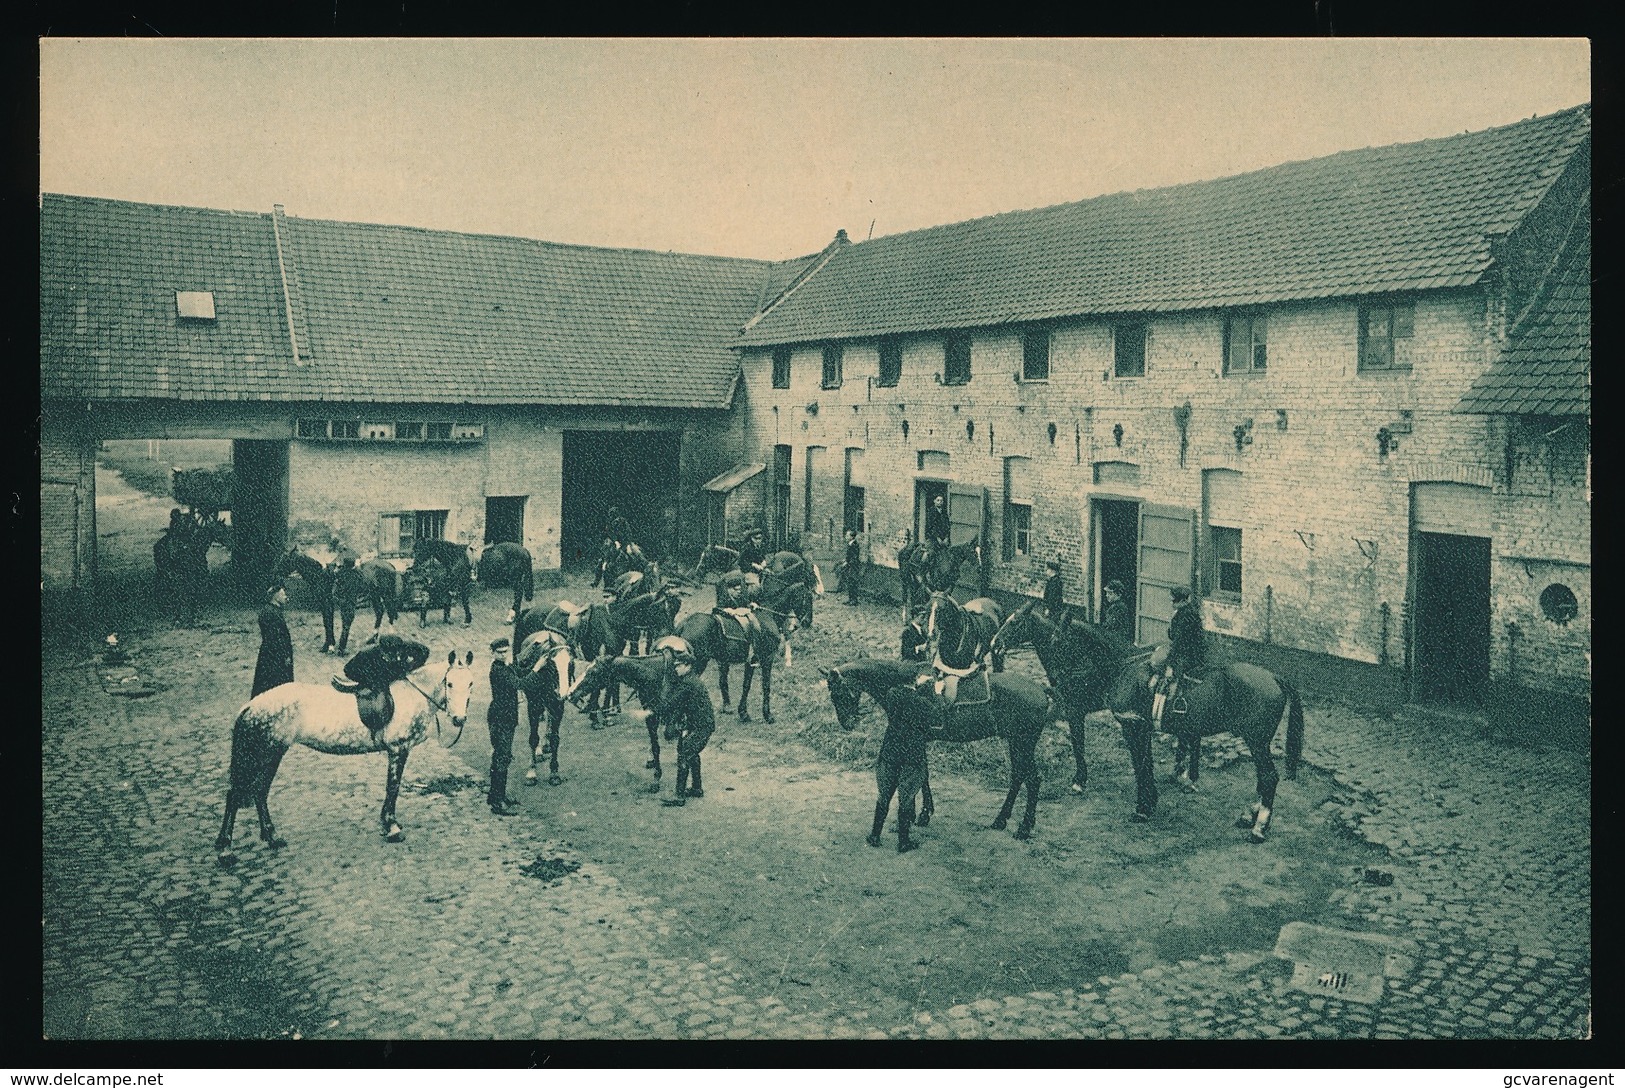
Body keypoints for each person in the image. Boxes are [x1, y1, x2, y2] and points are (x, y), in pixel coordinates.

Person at [868, 684, 934, 853]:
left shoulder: (891, 695)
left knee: (884, 795)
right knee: (905, 798)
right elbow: (934, 721)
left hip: (890, 753)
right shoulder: (923, 704)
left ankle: (875, 835)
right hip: (911, 757)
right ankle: (903, 842)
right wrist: (936, 692)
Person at [659, 649, 717, 806]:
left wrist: (653, 709)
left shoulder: (688, 683)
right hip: (702, 725)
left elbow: (670, 703)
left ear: (688, 666)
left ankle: (679, 796)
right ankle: (697, 789)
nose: (676, 669)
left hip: (701, 727)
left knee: (684, 753)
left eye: (679, 666)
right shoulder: (691, 680)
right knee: (691, 753)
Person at [343, 633, 432, 733]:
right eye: (390, 655)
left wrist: (410, 666)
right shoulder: (367, 654)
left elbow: (425, 651)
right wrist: (370, 679)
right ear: (382, 651)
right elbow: (348, 670)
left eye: (396, 653)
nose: (394, 656)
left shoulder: (406, 647)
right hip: (375, 676)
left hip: (392, 673)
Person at [1153, 586, 1209, 725]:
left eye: (1173, 601)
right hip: (1185, 650)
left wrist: (1170, 665)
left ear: (1181, 601)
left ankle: (1177, 704)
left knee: (1170, 675)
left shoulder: (1187, 615)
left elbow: (1178, 642)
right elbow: (1173, 636)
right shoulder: (1182, 613)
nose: (1172, 604)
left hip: (1190, 654)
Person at [485, 638, 523, 816]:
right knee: (502, 757)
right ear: (492, 653)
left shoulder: (503, 667)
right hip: (502, 718)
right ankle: (497, 803)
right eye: (499, 652)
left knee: (500, 756)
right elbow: (520, 683)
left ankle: (495, 796)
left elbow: (516, 671)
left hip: (503, 717)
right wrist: (537, 669)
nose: (503, 655)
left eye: (505, 652)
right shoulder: (499, 671)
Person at [252, 584, 294, 697]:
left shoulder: (269, 610)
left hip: (269, 654)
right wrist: (285, 656)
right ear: (275, 596)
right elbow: (276, 638)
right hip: (275, 657)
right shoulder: (272, 613)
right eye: (283, 594)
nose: (286, 597)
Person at [332, 553, 364, 655]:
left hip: (342, 603)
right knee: (346, 626)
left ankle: (341, 647)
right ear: (353, 565)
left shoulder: (340, 574)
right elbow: (361, 586)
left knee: (344, 624)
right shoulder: (355, 575)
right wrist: (358, 568)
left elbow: (335, 589)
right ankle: (341, 649)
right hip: (350, 603)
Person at [840, 529, 863, 605]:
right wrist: (845, 560)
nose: (846, 537)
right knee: (850, 582)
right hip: (850, 566)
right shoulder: (850, 544)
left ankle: (854, 600)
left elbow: (854, 557)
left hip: (853, 567)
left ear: (851, 537)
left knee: (853, 582)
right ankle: (850, 599)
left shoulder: (854, 545)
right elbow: (849, 556)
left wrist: (847, 562)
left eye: (847, 535)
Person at [1041, 559, 1066, 623]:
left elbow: (1052, 596)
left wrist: (1048, 609)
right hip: (1052, 608)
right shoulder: (1052, 580)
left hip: (1054, 609)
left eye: (1047, 569)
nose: (1046, 570)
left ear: (1052, 570)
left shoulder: (1055, 582)